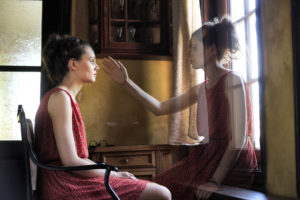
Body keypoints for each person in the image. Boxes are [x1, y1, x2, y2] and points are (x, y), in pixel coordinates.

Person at [102, 16, 258, 200]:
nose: (189, 53)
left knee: (172, 190)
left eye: (194, 48)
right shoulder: (201, 88)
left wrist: (215, 181)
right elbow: (159, 108)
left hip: (232, 164)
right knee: (157, 187)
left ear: (212, 50)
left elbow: (238, 141)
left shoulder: (233, 80)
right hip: (207, 157)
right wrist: (126, 82)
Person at [34, 34, 171, 200]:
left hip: (70, 178)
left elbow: (76, 160)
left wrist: (112, 172)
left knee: (158, 190)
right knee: (161, 193)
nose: (96, 66)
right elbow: (70, 160)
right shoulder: (60, 98)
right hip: (64, 183)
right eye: (91, 60)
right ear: (73, 64)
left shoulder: (64, 97)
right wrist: (115, 175)